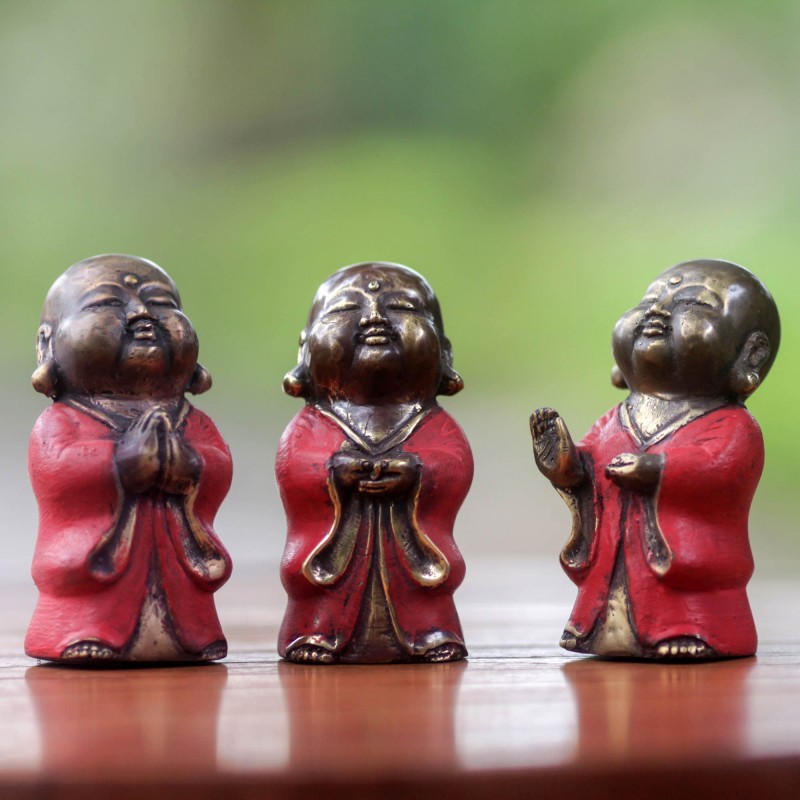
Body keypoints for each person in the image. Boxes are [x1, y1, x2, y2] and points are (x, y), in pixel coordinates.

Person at [531, 259, 780, 659]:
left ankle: (693, 629)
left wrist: (659, 470)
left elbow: (720, 468)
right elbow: (592, 467)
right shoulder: (616, 418)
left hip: (683, 560)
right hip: (617, 547)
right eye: (650, 300)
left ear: (749, 356)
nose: (658, 310)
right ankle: (601, 626)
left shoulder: (731, 424)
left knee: (681, 595)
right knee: (613, 581)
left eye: (695, 304)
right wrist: (566, 465)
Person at [25, 254, 232, 662]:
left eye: (161, 303)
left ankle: (190, 635)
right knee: (94, 602)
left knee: (183, 598)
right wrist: (120, 464)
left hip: (174, 544)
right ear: (48, 343)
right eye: (106, 303)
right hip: (98, 558)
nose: (141, 313)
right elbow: (57, 467)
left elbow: (218, 463)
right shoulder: (63, 419)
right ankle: (84, 630)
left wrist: (190, 467)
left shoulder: (190, 419)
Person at [277, 262, 472, 663]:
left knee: (421, 592)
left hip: (412, 551)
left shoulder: (432, 422)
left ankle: (431, 632)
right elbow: (294, 465)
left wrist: (418, 473)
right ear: (305, 348)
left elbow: (453, 464)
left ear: (443, 351)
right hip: (336, 552)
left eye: (402, 307)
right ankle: (318, 631)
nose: (374, 317)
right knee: (324, 592)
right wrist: (333, 473)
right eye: (345, 309)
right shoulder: (312, 423)